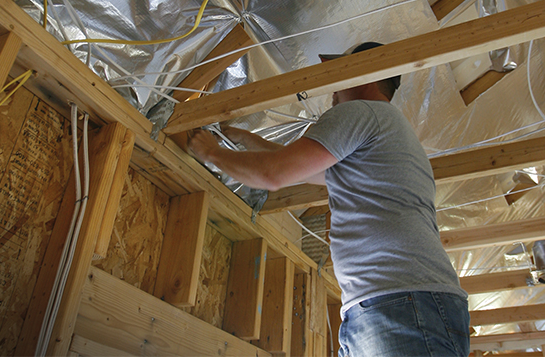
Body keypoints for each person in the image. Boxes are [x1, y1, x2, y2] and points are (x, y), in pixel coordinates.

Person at [188, 42, 470, 357]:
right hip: (400, 303)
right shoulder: (387, 131)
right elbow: (302, 170)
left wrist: (210, 152)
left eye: (340, 77)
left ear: (364, 75)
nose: (333, 92)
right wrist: (245, 139)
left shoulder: (362, 112)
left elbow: (275, 175)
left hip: (398, 304)